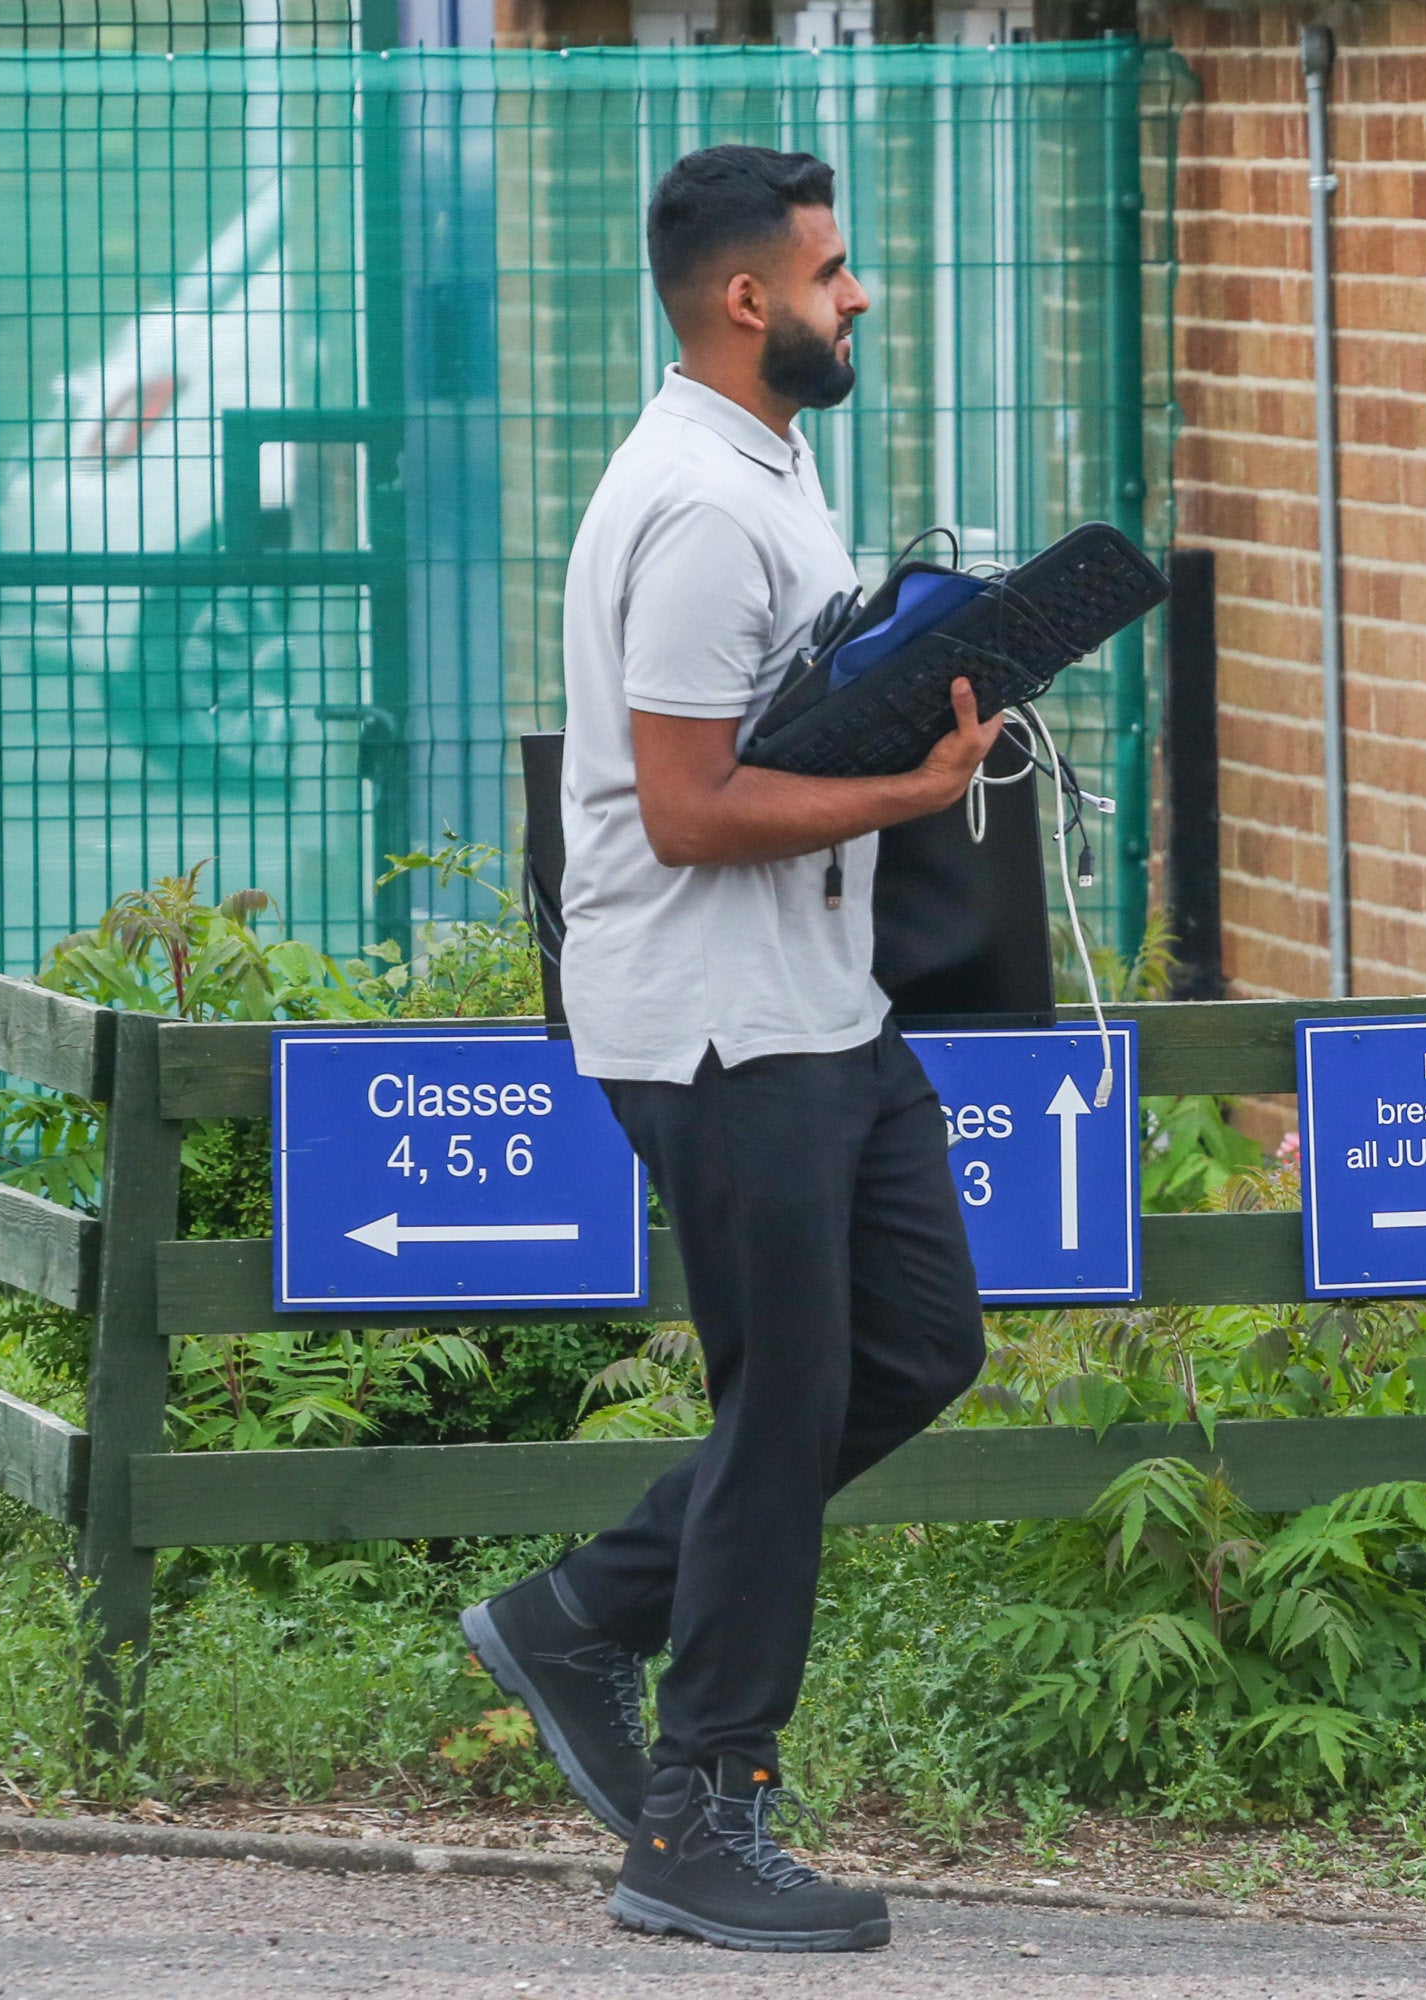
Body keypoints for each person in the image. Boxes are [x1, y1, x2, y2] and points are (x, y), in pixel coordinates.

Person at [459, 145, 996, 1952]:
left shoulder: (775, 463)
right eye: (837, 273)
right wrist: (912, 786)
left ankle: (574, 1614)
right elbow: (686, 809)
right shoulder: (691, 503)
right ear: (748, 297)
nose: (861, 298)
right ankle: (700, 1820)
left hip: (821, 1006)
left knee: (921, 1346)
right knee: (782, 1407)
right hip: (710, 1024)